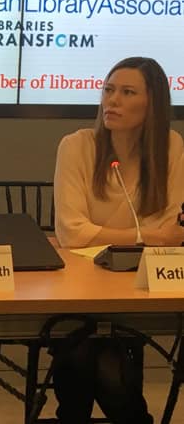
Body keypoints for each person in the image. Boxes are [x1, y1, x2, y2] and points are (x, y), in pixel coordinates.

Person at [52, 56, 184, 423]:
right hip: (77, 291)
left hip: (138, 289)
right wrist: (148, 235)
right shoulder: (77, 146)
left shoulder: (171, 148)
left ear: (153, 103)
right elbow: (71, 233)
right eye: (109, 90)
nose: (112, 101)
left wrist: (150, 237)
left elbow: (174, 231)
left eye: (127, 93)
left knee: (92, 354)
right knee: (92, 356)